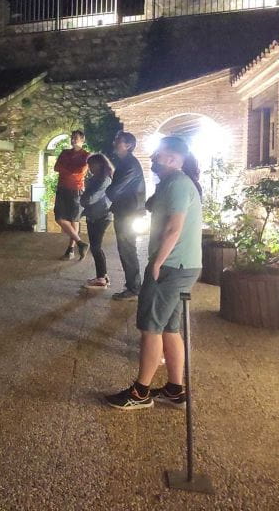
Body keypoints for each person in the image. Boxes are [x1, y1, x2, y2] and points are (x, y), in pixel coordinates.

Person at [105, 136, 203, 410]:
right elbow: (153, 206)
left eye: (159, 155)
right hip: (184, 266)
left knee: (150, 328)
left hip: (171, 266)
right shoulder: (173, 184)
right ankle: (174, 389)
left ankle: (141, 392)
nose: (153, 159)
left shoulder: (177, 184)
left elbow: (174, 228)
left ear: (172, 159)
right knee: (169, 328)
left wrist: (156, 263)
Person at [105, 131, 146, 300]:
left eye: (118, 140)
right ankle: (133, 285)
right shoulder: (125, 163)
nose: (115, 142)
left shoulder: (129, 164)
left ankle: (134, 287)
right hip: (127, 210)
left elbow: (114, 190)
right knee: (126, 248)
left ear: (128, 145)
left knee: (127, 249)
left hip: (128, 212)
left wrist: (108, 189)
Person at [54, 129, 90, 260]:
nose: (73, 140)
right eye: (72, 137)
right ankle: (80, 243)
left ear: (82, 140)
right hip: (62, 188)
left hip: (76, 190)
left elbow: (80, 172)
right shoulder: (64, 153)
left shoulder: (86, 155)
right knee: (59, 218)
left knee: (74, 219)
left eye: (76, 138)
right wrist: (70, 170)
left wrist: (66, 169)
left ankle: (71, 249)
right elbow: (56, 167)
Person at [80, 153, 114, 288]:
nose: (89, 168)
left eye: (91, 165)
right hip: (93, 215)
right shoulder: (96, 178)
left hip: (101, 216)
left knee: (96, 247)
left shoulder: (104, 179)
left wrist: (83, 198)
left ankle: (101, 277)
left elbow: (89, 199)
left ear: (100, 164)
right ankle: (102, 275)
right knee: (95, 247)